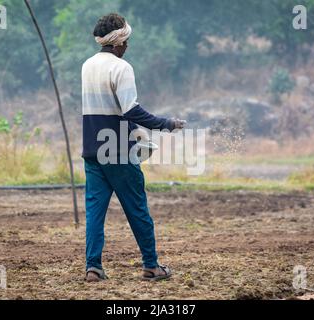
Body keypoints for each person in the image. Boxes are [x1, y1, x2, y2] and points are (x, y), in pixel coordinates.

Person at [81, 13, 185, 282]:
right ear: (117, 42)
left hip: (92, 150)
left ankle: (93, 268)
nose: (127, 46)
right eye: (126, 41)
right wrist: (166, 124)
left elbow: (111, 111)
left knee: (95, 213)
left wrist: (133, 130)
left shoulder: (87, 66)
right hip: (117, 151)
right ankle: (151, 265)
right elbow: (131, 110)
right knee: (137, 209)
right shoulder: (121, 68)